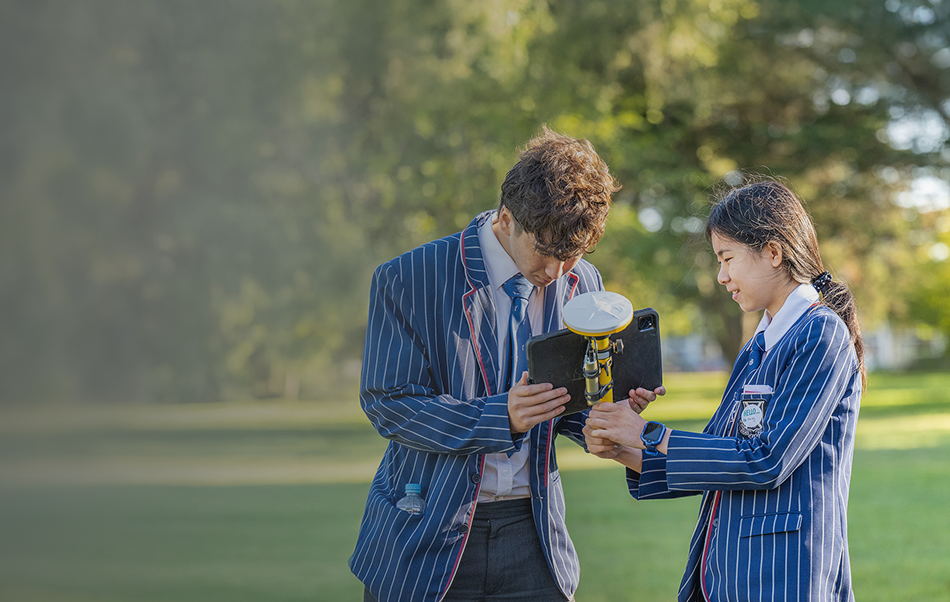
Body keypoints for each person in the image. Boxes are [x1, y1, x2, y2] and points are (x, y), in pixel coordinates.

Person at [350, 126, 662, 602]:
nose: (558, 272)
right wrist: (502, 417)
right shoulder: (408, 278)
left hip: (533, 536)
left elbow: (569, 401)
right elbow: (390, 405)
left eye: (573, 255)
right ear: (506, 217)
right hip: (424, 533)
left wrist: (605, 415)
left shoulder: (583, 281)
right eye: (547, 251)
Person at [584, 179, 863, 601]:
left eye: (727, 258)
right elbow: (720, 451)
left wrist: (648, 435)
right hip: (728, 571)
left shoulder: (819, 333)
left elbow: (767, 459)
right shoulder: (759, 344)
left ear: (773, 252)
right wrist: (622, 446)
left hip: (785, 575)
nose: (721, 275)